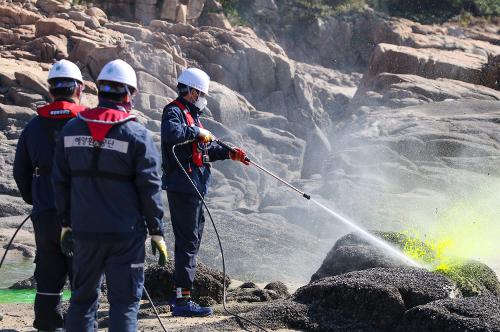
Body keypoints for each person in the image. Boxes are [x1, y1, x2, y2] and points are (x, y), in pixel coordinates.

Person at [52, 59, 168, 331]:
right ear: (129, 94)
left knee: (81, 301)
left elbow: (60, 182)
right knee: (125, 303)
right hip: (125, 236)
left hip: (84, 231)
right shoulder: (137, 134)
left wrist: (66, 223)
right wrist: (157, 231)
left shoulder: (71, 129)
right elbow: (150, 186)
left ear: (100, 90)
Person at [161, 67, 249, 317]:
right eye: (201, 93)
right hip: (183, 186)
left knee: (193, 241)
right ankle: (182, 301)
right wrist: (197, 132)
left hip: (195, 188)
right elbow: (171, 134)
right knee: (188, 243)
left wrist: (229, 153)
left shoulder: (192, 115)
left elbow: (203, 153)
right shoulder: (174, 111)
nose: (203, 98)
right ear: (191, 91)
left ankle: (180, 292)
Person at [13, 59, 87, 332]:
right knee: (83, 278)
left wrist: (36, 201)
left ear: (51, 90)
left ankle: (48, 326)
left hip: (45, 215)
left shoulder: (33, 127)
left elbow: (20, 172)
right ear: (78, 88)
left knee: (48, 274)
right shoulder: (87, 123)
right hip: (81, 215)